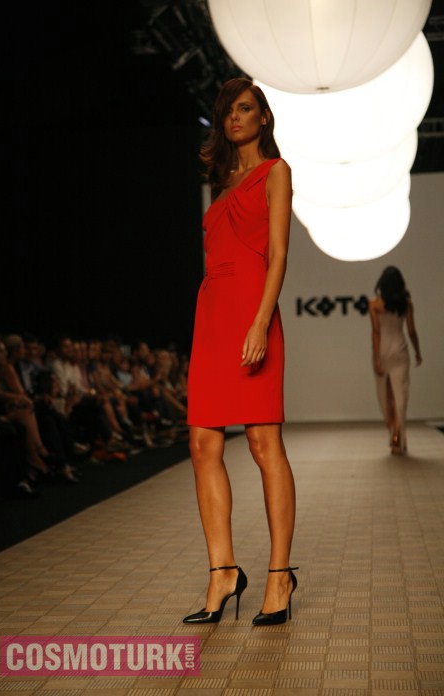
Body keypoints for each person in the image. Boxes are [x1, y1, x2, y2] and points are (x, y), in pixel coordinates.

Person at [184, 78, 297, 627]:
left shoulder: (276, 172)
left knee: (261, 442)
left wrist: (260, 322)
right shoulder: (220, 181)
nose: (234, 118)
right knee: (202, 444)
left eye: (245, 108)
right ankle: (222, 571)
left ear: (263, 117)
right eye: (227, 110)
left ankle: (280, 575)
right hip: (211, 317)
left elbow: (278, 255)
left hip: (253, 313)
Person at [368, 266, 422, 455]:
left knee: (385, 397)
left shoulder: (374, 304)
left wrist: (377, 359)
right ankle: (399, 435)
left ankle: (394, 432)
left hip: (382, 353)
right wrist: (418, 352)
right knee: (401, 396)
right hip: (400, 351)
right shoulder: (406, 304)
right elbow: (411, 331)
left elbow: (376, 333)